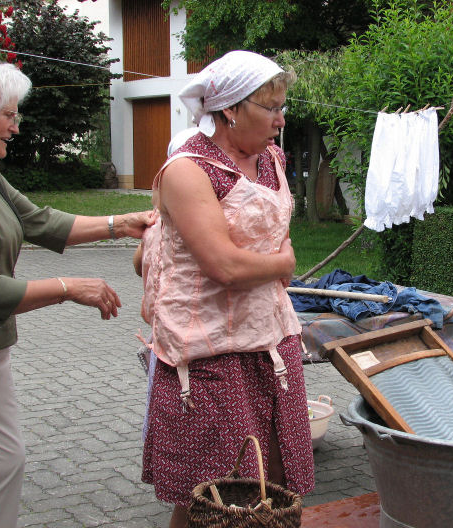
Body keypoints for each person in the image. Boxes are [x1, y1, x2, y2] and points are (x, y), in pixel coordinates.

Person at [0, 53, 154, 528]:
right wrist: (67, 287)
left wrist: (122, 223)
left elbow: (40, 221)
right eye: (9, 114)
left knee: (3, 463)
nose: (16, 127)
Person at [140, 50, 314, 527]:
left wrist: (280, 258)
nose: (281, 120)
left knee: (271, 482)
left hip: (270, 338)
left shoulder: (272, 158)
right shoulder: (188, 171)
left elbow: (276, 225)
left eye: (283, 107)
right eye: (271, 108)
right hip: (209, 348)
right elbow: (223, 266)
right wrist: (284, 263)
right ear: (231, 109)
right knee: (210, 491)